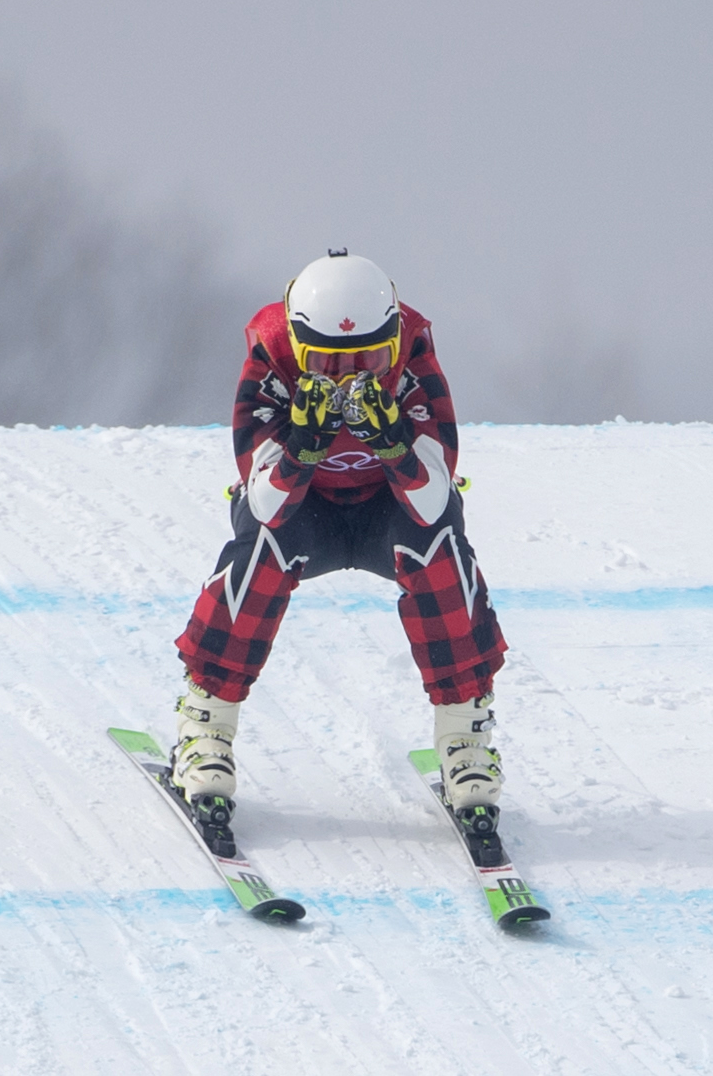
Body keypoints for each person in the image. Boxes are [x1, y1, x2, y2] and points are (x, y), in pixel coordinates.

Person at [171, 250, 511, 845]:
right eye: (326, 364)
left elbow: (433, 500)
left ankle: (465, 738)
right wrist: (299, 450)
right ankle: (207, 727)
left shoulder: (412, 358)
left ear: (395, 338)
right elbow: (266, 505)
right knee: (259, 555)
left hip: (391, 508)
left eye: (368, 360)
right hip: (304, 508)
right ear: (298, 347)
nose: (350, 378)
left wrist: (396, 446)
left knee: (441, 551)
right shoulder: (270, 356)